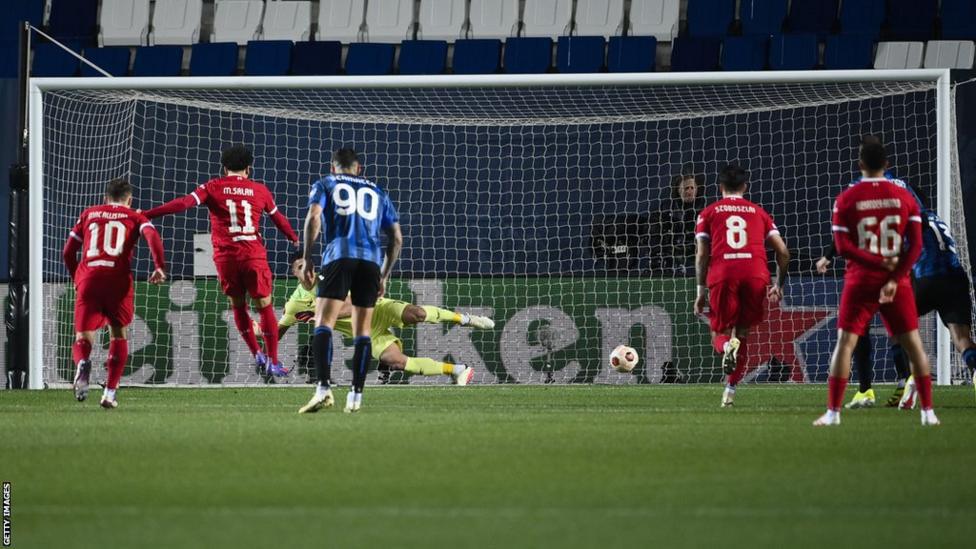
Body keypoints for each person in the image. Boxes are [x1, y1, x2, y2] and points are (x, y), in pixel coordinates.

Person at [814, 136, 938, 426]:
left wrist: (874, 262)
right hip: (897, 281)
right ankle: (928, 413)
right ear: (887, 163)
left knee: (845, 343)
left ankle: (833, 413)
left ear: (860, 165)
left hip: (860, 280)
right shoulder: (904, 196)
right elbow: (916, 246)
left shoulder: (846, 198)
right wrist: (893, 275)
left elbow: (843, 247)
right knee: (914, 344)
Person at [144, 144, 298, 377]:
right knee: (265, 307)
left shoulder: (212, 187)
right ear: (248, 169)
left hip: (226, 258)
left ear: (224, 168)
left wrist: (147, 214)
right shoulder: (260, 190)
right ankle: (273, 361)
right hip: (253, 255)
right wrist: (293, 238)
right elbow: (279, 219)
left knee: (239, 306)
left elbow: (183, 203)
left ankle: (256, 353)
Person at [269, 252, 494, 384]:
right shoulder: (295, 305)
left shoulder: (331, 278)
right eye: (300, 267)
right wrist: (260, 339)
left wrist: (323, 314)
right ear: (294, 273)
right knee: (398, 361)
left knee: (417, 314)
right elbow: (275, 332)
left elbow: (352, 304)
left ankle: (466, 319)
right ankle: (459, 370)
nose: (306, 271)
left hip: (378, 309)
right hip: (367, 332)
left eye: (308, 266)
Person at [298, 148, 402, 414]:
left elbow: (314, 217)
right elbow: (396, 238)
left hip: (339, 256)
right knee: (362, 331)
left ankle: (323, 389)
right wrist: (383, 274)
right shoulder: (377, 191)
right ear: (359, 168)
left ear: (333, 167)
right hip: (370, 263)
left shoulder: (326, 183)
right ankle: (355, 397)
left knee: (323, 322)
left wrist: (307, 257)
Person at [63, 178, 167, 408]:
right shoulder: (135, 216)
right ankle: (109, 394)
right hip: (117, 281)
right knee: (118, 334)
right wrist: (159, 266)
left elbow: (68, 252)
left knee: (83, 337)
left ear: (105, 198)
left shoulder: (89, 213)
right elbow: (152, 236)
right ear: (129, 200)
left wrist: (76, 278)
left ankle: (82, 363)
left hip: (89, 279)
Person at [693, 163, 790, 407]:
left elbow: (702, 254)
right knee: (742, 333)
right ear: (745, 187)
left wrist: (700, 291)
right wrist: (779, 284)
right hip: (756, 274)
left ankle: (726, 346)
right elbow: (783, 252)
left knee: (719, 333)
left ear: (720, 187)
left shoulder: (708, 213)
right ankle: (730, 392)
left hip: (724, 273)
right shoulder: (759, 213)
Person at [894, 184, 976, 407]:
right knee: (962, 338)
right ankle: (975, 370)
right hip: (956, 280)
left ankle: (913, 378)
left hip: (928, 280)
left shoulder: (908, 221)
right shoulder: (938, 220)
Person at [652, 167, 706, 275]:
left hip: (696, 250)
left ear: (697, 189)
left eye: (692, 188)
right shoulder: (667, 207)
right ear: (678, 190)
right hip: (672, 250)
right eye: (686, 188)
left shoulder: (704, 208)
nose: (689, 191)